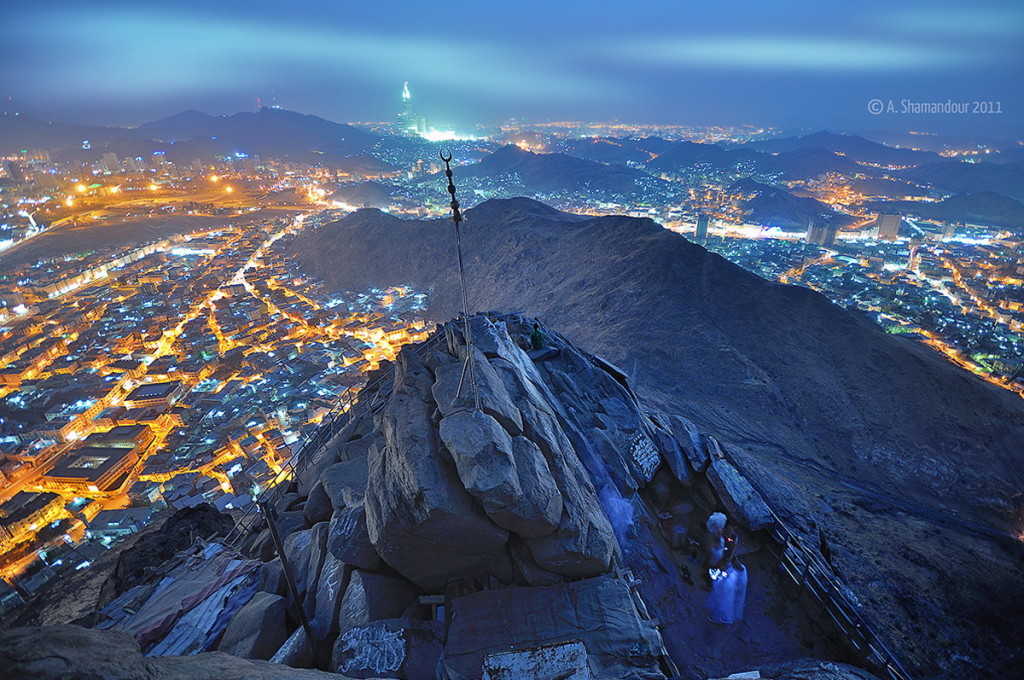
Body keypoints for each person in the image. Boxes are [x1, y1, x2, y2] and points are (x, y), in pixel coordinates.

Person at [705, 512, 748, 624]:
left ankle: (722, 615)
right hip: (722, 562)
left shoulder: (730, 537)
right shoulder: (725, 537)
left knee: (723, 592)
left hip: (723, 565)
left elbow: (731, 545)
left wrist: (728, 557)